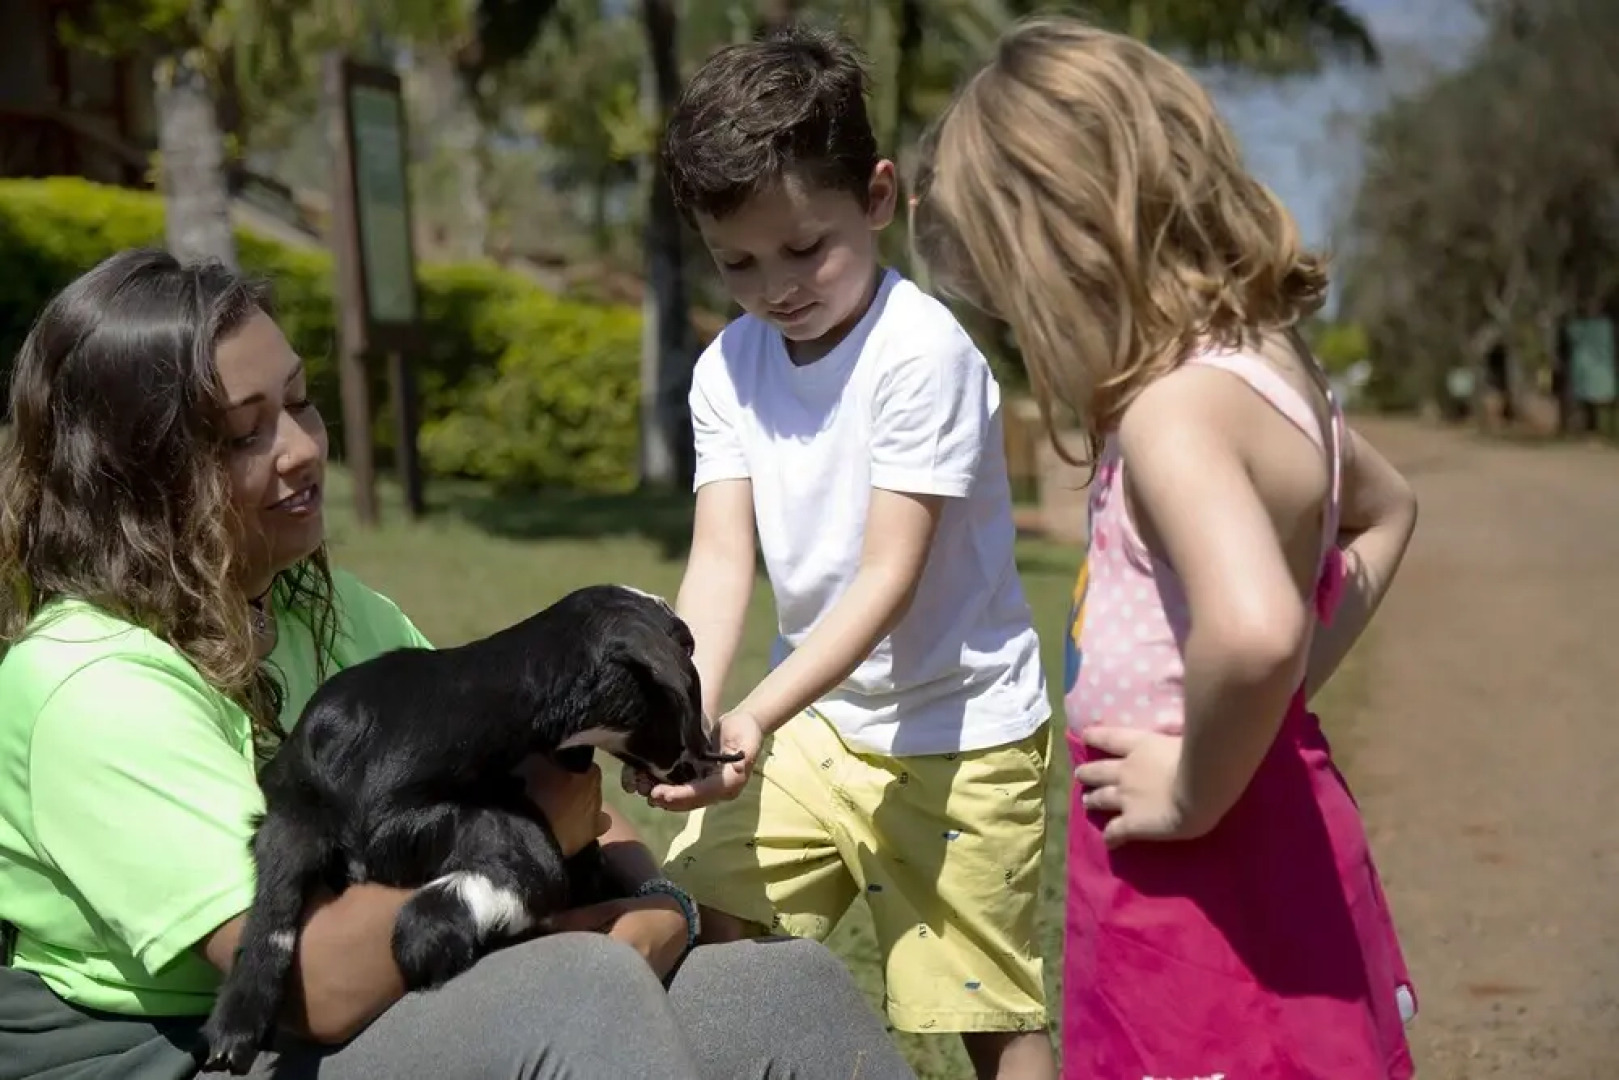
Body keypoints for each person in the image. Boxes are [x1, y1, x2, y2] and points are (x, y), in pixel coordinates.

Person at [0, 247, 918, 1080]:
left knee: (780, 990)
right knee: (579, 991)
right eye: (245, 435)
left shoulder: (337, 615)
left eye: (300, 401)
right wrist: (550, 874)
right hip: (206, 1048)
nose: (303, 449)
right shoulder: (93, 688)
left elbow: (572, 813)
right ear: (134, 477)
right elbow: (311, 985)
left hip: (396, 990)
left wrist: (657, 905)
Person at [909, 15, 1423, 1080]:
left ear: (1065, 250)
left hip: (1200, 874)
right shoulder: (1269, 370)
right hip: (1264, 816)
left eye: (1012, 296)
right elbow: (1385, 512)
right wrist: (1274, 704)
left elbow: (1254, 627)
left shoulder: (1173, 415)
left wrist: (1194, 786)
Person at [629, 25, 1056, 1080]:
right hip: (820, 727)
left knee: (984, 1010)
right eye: (735, 262)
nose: (774, 286)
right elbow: (720, 561)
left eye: (803, 248)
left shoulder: (921, 354)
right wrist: (687, 712)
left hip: (960, 740)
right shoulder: (728, 369)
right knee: (711, 912)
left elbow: (887, 577)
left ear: (876, 197)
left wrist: (756, 715)